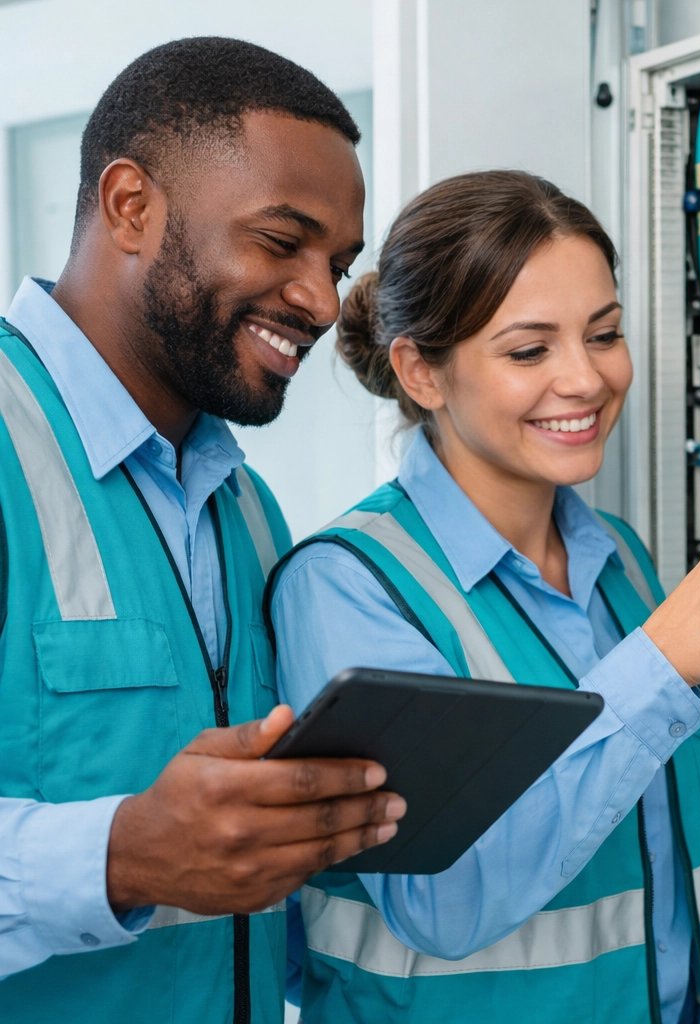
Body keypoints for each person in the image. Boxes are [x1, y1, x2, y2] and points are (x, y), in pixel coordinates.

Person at [268, 170, 700, 1024]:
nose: (586, 380)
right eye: (530, 351)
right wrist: (659, 664)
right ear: (422, 372)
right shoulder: (350, 586)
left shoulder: (624, 567)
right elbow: (442, 907)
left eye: (602, 335)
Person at [0, 38, 407, 1023]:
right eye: (280, 242)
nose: (320, 300)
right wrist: (123, 852)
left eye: (338, 263)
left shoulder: (248, 509)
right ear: (130, 205)